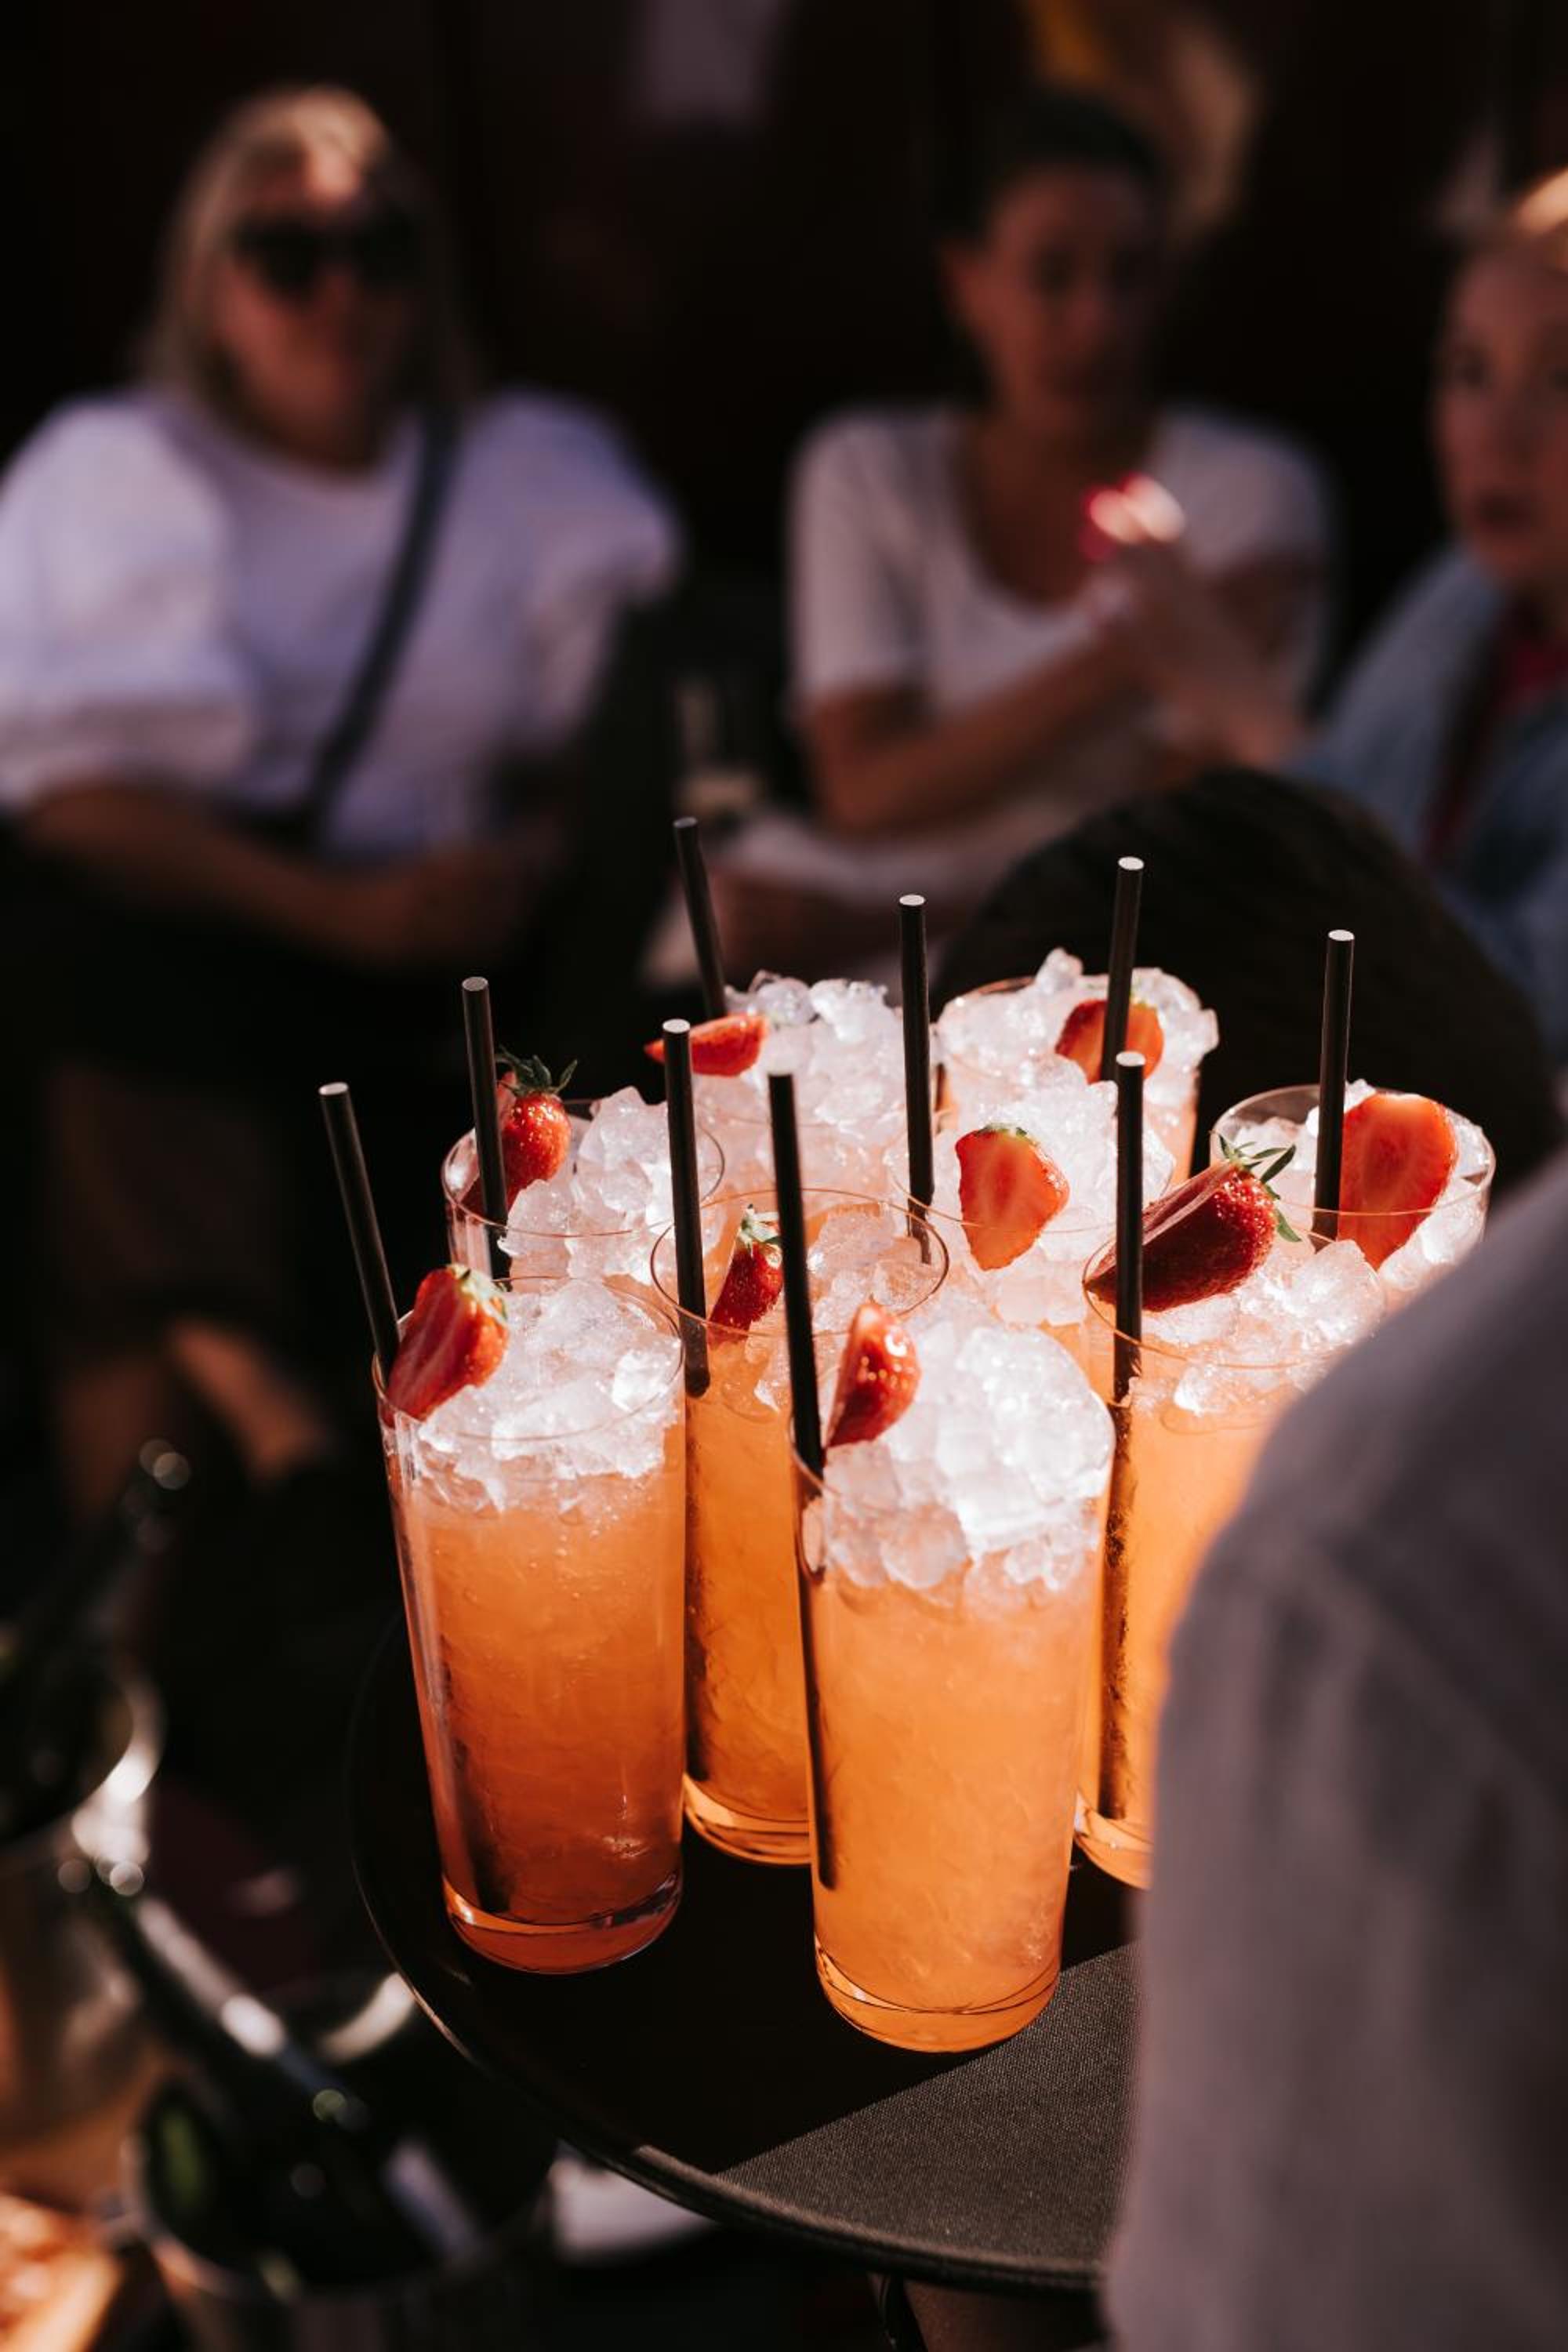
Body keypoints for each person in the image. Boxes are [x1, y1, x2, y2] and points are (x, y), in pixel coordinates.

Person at [0, 85, 680, 1513]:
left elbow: (614, 745)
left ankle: (225, 1476)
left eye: (377, 251)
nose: (340, 293)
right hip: (217, 928)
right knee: (92, 984)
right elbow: (64, 799)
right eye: (288, 255)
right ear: (210, 289)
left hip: (457, 951)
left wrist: (521, 855)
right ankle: (250, 1436)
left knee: (114, 1098)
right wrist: (336, 911)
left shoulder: (520, 475)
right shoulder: (122, 476)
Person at [716, 84, 1330, 978]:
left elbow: (1172, 853)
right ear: (965, 283)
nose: (1096, 321)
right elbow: (862, 793)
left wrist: (879, 924)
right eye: (1052, 275)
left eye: (1129, 276)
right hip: (866, 925)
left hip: (1098, 954)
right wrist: (1148, 647)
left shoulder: (1250, 491)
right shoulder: (864, 468)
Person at [1101, 170, 1568, 1062]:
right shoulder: (1466, 588)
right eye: (1468, 371)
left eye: (1560, 377)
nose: (1494, 434)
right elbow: (1338, 880)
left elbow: (1524, 1018)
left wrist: (1250, 713)